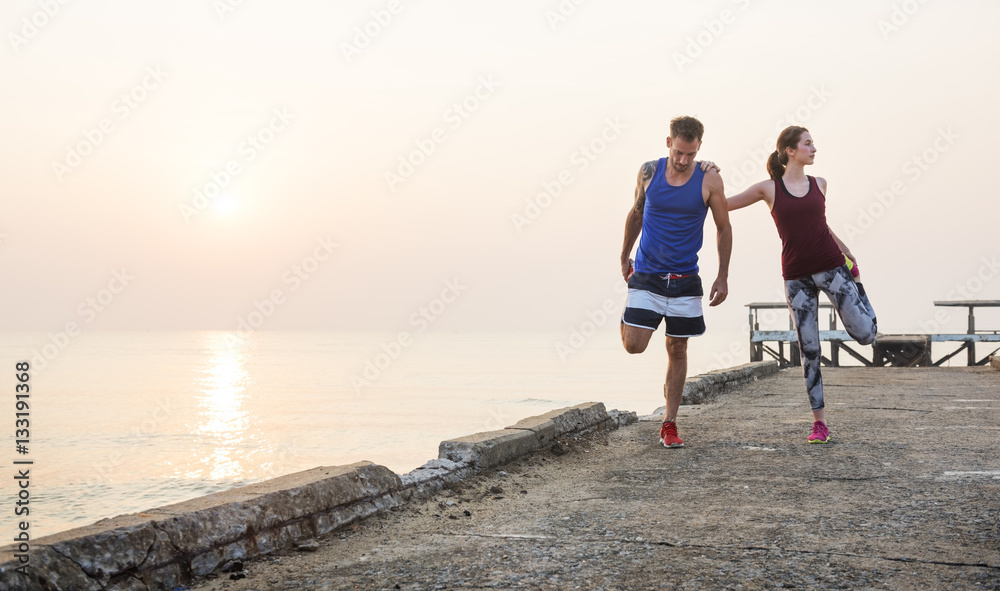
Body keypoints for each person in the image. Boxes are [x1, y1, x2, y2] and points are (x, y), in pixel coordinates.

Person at [727, 126, 877, 444]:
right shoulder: (769, 189)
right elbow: (723, 203)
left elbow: (820, 225)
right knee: (809, 349)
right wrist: (703, 178)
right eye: (808, 143)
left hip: (833, 268)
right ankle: (819, 423)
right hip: (796, 277)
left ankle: (861, 291)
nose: (814, 148)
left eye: (813, 143)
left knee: (865, 335)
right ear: (790, 151)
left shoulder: (819, 184)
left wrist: (848, 255)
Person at [619, 116, 732, 448]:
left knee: (678, 347)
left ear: (699, 149)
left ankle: (669, 423)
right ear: (668, 142)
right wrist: (624, 253)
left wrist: (722, 276)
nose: (684, 161)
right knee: (634, 345)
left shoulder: (709, 180)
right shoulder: (648, 172)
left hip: (685, 279)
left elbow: (723, 228)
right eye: (679, 152)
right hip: (647, 274)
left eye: (691, 154)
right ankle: (627, 319)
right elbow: (637, 212)